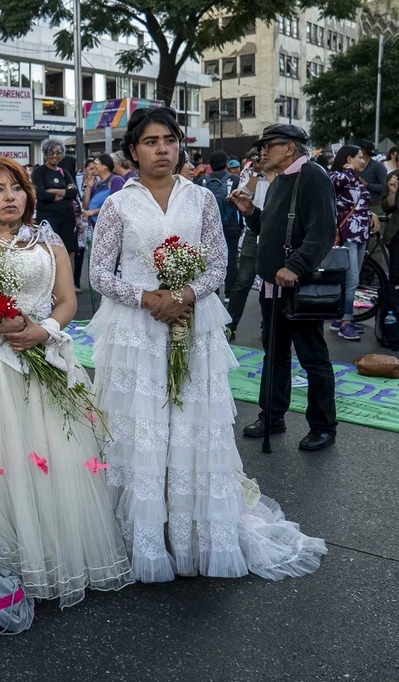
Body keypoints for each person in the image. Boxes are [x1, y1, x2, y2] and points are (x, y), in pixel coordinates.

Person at [89, 108, 327, 583]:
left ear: (181, 146)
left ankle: (191, 533)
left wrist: (182, 297)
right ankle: (142, 534)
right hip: (135, 330)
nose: (162, 149)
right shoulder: (117, 204)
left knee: (188, 423)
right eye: (151, 141)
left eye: (170, 140)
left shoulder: (199, 200)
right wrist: (146, 298)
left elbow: (218, 267)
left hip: (192, 322)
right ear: (133, 151)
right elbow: (99, 272)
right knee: (142, 426)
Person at [0, 158, 133, 606]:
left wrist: (42, 331)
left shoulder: (50, 242)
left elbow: (68, 301)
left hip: (43, 354)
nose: (8, 197)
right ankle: (5, 555)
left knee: (52, 459)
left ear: (28, 195)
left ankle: (52, 551)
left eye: (16, 188)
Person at [230, 124, 338, 452]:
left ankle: (323, 426)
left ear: (289, 148)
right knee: (275, 353)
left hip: (295, 286)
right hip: (271, 286)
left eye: (267, 146)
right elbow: (273, 227)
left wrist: (295, 266)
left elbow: (322, 232)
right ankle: (272, 415)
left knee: (312, 357)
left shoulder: (313, 176)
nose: (261, 152)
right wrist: (251, 212)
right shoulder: (281, 179)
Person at [328, 145, 378, 341]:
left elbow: (360, 202)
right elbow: (339, 184)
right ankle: (346, 322)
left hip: (360, 236)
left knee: (350, 281)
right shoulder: (337, 176)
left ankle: (339, 319)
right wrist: (348, 168)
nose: (363, 161)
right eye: (359, 157)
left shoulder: (356, 179)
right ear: (349, 159)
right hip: (346, 236)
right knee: (352, 281)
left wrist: (371, 214)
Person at [226, 154, 276, 340]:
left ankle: (269, 326)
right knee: (244, 279)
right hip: (254, 229)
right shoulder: (250, 171)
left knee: (272, 282)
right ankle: (230, 325)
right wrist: (257, 172)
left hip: (276, 231)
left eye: (268, 150)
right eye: (263, 151)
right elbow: (242, 194)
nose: (265, 155)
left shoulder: (284, 171)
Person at [32, 139, 80, 268]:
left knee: (69, 249)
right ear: (45, 154)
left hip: (67, 216)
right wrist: (64, 193)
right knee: (49, 250)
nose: (55, 156)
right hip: (47, 216)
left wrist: (54, 191)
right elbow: (41, 194)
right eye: (51, 152)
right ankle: (52, 285)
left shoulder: (64, 172)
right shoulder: (39, 172)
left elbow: (73, 193)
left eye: (58, 153)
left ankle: (71, 284)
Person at [203, 150, 242, 296]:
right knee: (231, 259)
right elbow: (239, 205)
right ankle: (229, 293)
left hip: (209, 226)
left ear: (210, 165)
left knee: (210, 259)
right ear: (226, 164)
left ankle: (213, 291)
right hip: (230, 224)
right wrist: (241, 226)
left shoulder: (203, 181)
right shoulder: (234, 180)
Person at [81, 154, 124, 227]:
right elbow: (86, 206)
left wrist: (93, 212)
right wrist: (88, 187)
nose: (92, 166)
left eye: (95, 163)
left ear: (105, 166)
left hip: (110, 227)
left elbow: (115, 205)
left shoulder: (116, 180)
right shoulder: (96, 185)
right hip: (96, 226)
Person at [353, 139, 387, 206]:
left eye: (356, 149)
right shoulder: (354, 167)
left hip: (375, 206)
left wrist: (368, 185)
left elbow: (385, 187)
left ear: (364, 150)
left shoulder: (377, 166)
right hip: (357, 206)